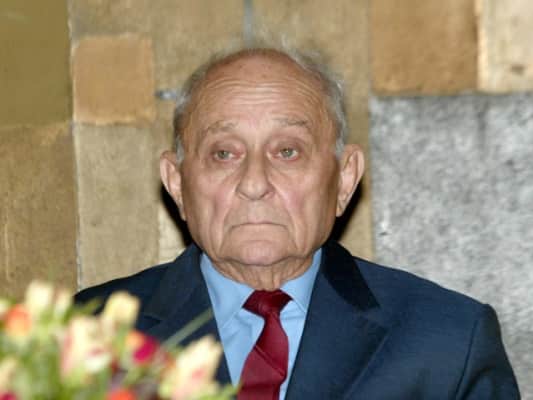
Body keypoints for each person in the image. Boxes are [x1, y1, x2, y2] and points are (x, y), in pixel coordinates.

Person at [76, 45, 520, 399]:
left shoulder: (448, 343)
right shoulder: (86, 336)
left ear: (344, 179)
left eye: (287, 152)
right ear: (176, 183)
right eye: (224, 153)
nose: (254, 183)